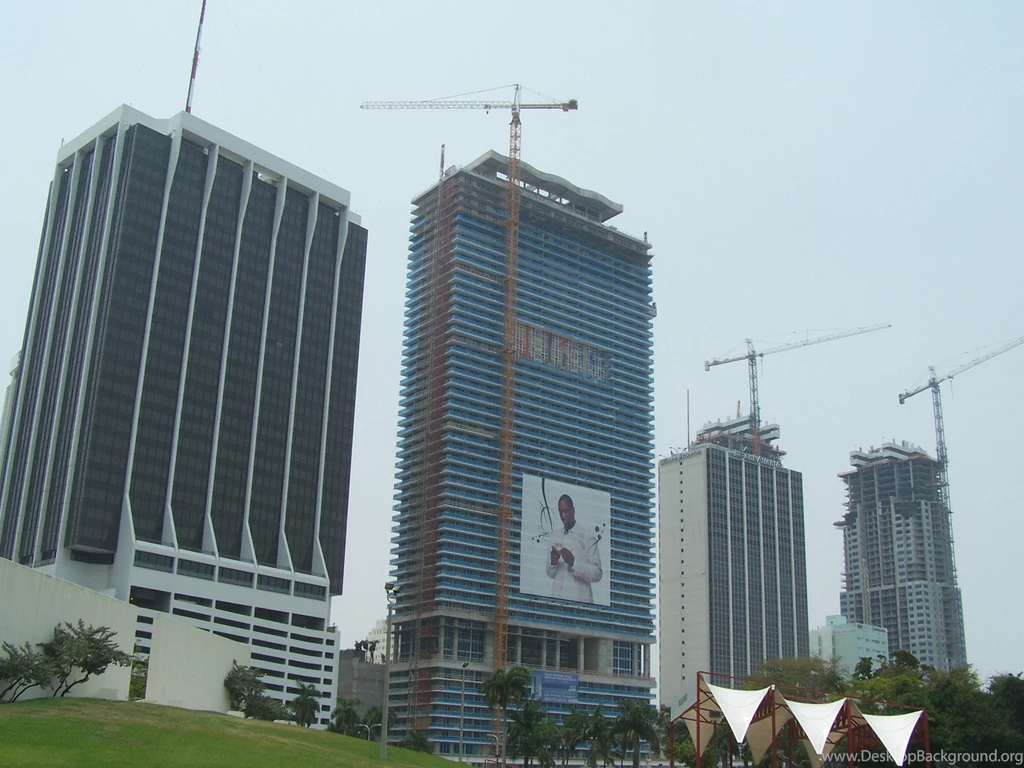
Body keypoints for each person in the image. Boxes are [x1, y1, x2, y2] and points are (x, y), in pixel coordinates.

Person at [546, 494, 603, 603]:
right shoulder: (554, 536)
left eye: (566, 511)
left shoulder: (588, 536)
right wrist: (553, 563)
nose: (563, 516)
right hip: (556, 605)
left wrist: (574, 563)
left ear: (573, 511)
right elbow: (550, 574)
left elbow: (597, 573)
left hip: (580, 606)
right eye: (560, 512)